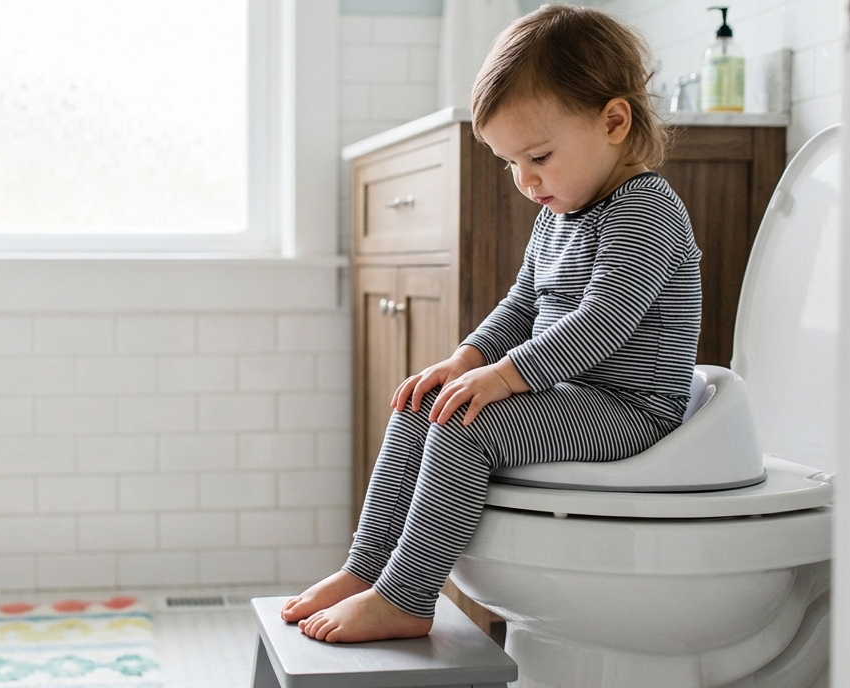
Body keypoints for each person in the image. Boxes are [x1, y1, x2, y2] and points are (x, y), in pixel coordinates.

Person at [283, 4, 702, 643]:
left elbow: (603, 323)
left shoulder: (646, 210)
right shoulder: (560, 213)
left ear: (613, 121)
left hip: (635, 408)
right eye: (510, 163)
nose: (524, 180)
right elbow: (523, 306)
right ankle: (366, 568)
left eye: (537, 156)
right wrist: (467, 361)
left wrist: (508, 375)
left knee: (466, 427)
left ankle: (408, 597)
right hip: (574, 396)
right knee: (425, 403)